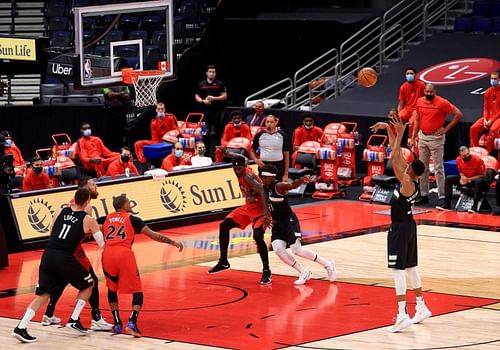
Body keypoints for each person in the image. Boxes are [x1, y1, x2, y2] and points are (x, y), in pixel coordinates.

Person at [12, 188, 105, 343]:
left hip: (48, 254)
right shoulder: (88, 219)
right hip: (64, 257)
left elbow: (52, 232)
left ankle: (21, 327)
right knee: (89, 283)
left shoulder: (59, 211)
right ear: (88, 201)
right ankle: (74, 319)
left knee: (43, 294)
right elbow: (102, 244)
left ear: (74, 199)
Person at [370, 114, 430, 333]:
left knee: (397, 269)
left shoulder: (406, 183)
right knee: (412, 267)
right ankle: (421, 306)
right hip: (409, 226)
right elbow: (395, 158)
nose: (403, 164)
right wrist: (388, 128)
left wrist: (399, 131)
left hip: (400, 228)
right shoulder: (410, 178)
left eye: (407, 164)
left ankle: (402, 313)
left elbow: (395, 155)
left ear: (410, 170)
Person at [99, 194, 183, 336]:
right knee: (137, 291)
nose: (130, 204)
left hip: (107, 254)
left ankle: (117, 323)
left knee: (112, 288)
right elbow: (153, 235)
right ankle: (132, 322)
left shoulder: (105, 218)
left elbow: (90, 228)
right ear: (124, 205)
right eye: (128, 202)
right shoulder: (133, 219)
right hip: (124, 254)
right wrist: (172, 242)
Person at [42, 176, 112, 331]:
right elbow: (87, 232)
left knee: (61, 280)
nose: (96, 186)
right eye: (93, 184)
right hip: (73, 250)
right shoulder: (87, 208)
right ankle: (96, 317)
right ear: (86, 188)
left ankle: (49, 313)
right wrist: (103, 226)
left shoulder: (70, 204)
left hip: (57, 248)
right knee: (91, 280)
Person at [260, 164, 336, 285]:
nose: (262, 179)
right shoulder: (264, 187)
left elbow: (292, 185)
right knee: (278, 249)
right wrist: (266, 215)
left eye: (264, 177)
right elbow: (264, 200)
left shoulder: (279, 186)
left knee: (296, 250)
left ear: (272, 177)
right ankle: (304, 272)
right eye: (261, 176)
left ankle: (327, 264)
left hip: (289, 220)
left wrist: (302, 180)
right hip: (277, 223)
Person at [208, 155, 272, 285]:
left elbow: (263, 191)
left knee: (258, 236)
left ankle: (267, 271)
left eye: (239, 168)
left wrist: (266, 213)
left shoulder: (248, 176)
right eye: (235, 168)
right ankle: (223, 261)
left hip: (260, 210)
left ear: (245, 166)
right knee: (224, 225)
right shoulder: (240, 172)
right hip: (249, 208)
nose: (237, 171)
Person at [409, 83, 463, 204]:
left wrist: (446, 128)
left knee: (438, 167)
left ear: (435, 91)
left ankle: (442, 196)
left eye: (431, 92)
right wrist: (413, 138)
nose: (428, 94)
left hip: (436, 138)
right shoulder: (419, 101)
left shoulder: (442, 102)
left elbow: (458, 114)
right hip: (422, 136)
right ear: (424, 91)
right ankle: (424, 194)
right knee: (422, 167)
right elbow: (417, 120)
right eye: (427, 92)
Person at [436, 146, 490, 213]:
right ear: (460, 156)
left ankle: (474, 207)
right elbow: (460, 171)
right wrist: (462, 177)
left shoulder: (478, 160)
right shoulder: (458, 160)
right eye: (464, 156)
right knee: (449, 178)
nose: (467, 156)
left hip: (478, 180)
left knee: (478, 181)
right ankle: (447, 204)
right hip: (467, 178)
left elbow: (483, 175)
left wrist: (469, 179)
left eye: (468, 154)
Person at [194, 65, 227, 157]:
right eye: (210, 71)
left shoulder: (220, 84)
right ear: (206, 73)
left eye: (213, 72)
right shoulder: (201, 84)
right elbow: (196, 96)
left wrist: (214, 98)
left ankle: (218, 155)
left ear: (215, 73)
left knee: (217, 134)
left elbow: (224, 96)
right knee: (205, 134)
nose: (212, 73)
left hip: (217, 113)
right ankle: (206, 154)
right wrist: (202, 101)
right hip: (205, 114)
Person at [251, 115, 290, 182]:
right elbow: (252, 150)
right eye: (267, 122)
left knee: (277, 188)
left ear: (275, 123)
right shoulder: (259, 135)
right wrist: (255, 159)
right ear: (265, 123)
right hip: (264, 165)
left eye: (271, 122)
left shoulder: (282, 135)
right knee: (263, 188)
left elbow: (286, 155)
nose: (269, 124)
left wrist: (286, 174)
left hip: (278, 165)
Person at [470, 71, 500, 152]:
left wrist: (491, 120)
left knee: (493, 130)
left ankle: (487, 152)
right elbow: (486, 108)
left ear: (499, 79)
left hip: (498, 118)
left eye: (495, 79)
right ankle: (476, 150)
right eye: (491, 78)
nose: (493, 80)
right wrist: (486, 119)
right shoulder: (487, 92)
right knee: (473, 128)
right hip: (488, 118)